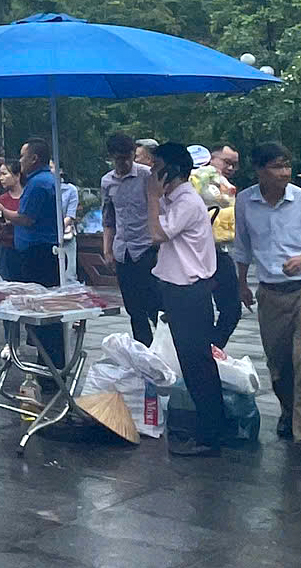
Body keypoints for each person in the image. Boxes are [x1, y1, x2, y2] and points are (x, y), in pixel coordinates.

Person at [234, 141, 301, 469]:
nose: (284, 173)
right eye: (277, 167)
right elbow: (242, 246)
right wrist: (241, 284)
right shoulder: (245, 202)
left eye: (287, 165)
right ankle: (290, 412)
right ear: (259, 170)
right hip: (271, 294)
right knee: (279, 365)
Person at [146, 141, 223, 457]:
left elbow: (157, 234)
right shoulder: (175, 200)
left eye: (156, 168)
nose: (151, 174)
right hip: (178, 290)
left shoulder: (187, 201)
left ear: (171, 171)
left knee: (197, 364)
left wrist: (152, 198)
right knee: (192, 363)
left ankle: (210, 435)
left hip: (190, 292)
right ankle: (207, 428)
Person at [0, 138, 68, 380]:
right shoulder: (46, 180)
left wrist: (2, 211)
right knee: (45, 311)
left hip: (38, 254)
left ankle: (49, 369)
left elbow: (26, 218)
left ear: (34, 158)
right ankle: (49, 366)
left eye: (22, 156)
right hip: (41, 251)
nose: (20, 161)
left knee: (41, 311)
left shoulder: (38, 184)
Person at [99, 132, 158, 345]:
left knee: (154, 304)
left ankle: (164, 347)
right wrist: (107, 250)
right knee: (134, 308)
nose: (123, 163)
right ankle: (143, 349)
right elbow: (108, 218)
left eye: (127, 157)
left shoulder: (146, 176)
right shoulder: (107, 181)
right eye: (118, 159)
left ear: (133, 154)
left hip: (146, 248)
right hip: (123, 250)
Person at [207, 144, 243, 347]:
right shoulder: (192, 183)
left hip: (220, 252)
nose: (230, 168)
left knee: (232, 309)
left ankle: (214, 347)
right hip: (193, 256)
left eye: (234, 165)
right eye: (226, 162)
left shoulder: (228, 190)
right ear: (210, 159)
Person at [60, 170, 80, 281]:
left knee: (69, 275)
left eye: (51, 167)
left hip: (66, 235)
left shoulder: (71, 189)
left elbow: (70, 215)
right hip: (46, 236)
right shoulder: (43, 187)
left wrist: (56, 228)